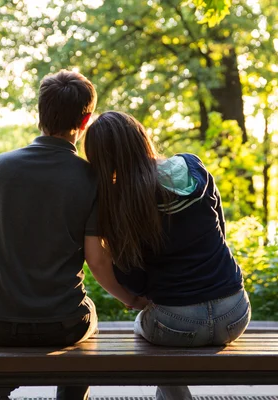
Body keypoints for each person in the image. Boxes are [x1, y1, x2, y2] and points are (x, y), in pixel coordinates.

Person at [0, 71, 143, 400]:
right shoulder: (91, 178)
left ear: (39, 113)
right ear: (85, 119)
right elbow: (97, 261)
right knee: (89, 315)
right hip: (63, 325)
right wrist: (132, 299)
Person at [84, 111, 251, 400]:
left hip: (176, 324)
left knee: (143, 326)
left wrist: (138, 299)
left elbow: (131, 277)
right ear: (140, 137)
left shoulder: (117, 202)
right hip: (235, 312)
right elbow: (219, 230)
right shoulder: (191, 166)